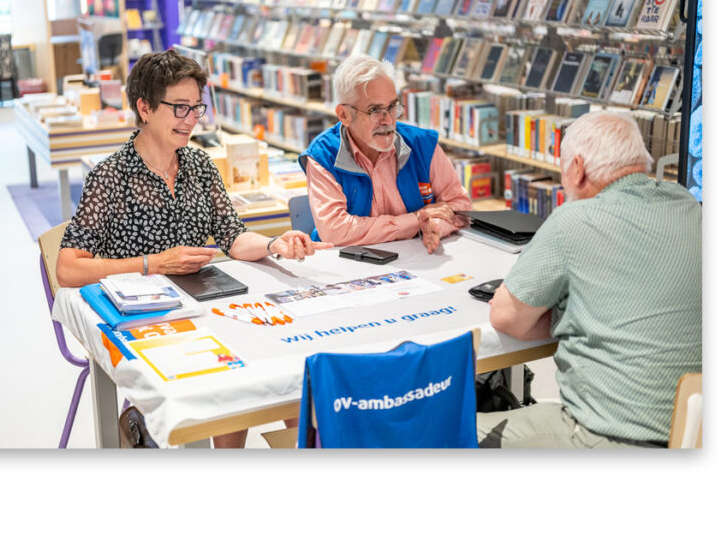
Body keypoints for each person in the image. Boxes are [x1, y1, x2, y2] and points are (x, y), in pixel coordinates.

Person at [57, 49, 331, 447]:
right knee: (230, 384)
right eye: (179, 108)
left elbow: (233, 237)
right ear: (145, 108)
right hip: (148, 322)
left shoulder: (199, 166)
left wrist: (275, 243)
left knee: (285, 378)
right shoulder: (110, 176)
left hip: (204, 307)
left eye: (196, 108)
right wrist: (153, 263)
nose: (189, 120)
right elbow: (68, 268)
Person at [480, 111, 701, 448]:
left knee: (446, 430)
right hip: (695, 435)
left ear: (578, 168)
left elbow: (507, 317)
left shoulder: (574, 220)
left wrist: (565, 313)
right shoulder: (692, 208)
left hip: (609, 436)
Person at [299, 55, 472, 254]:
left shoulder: (423, 145)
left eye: (392, 107)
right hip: (344, 265)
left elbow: (461, 206)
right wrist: (415, 219)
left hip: (417, 259)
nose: (388, 120)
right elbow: (335, 231)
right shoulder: (323, 155)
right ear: (344, 115)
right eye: (375, 110)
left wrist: (435, 225)